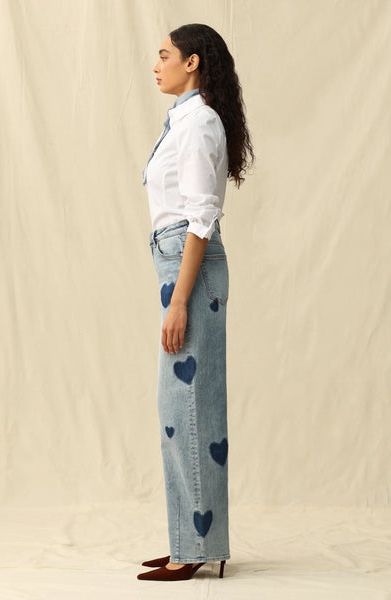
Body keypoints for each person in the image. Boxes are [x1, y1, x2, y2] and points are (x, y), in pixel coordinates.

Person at [137, 23, 255, 582]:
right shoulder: (186, 120)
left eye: (164, 55)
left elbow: (201, 216)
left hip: (190, 268)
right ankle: (191, 539)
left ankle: (195, 547)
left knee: (186, 405)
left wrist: (180, 299)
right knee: (182, 406)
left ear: (192, 62)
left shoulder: (199, 121)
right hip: (179, 265)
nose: (155, 65)